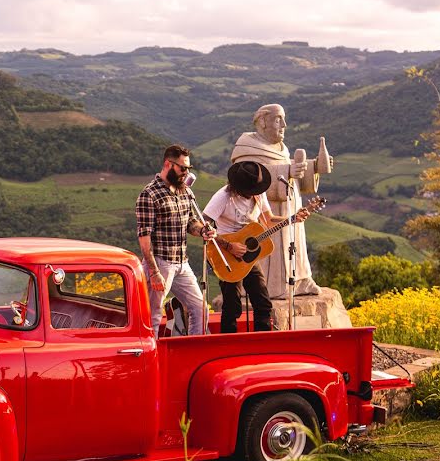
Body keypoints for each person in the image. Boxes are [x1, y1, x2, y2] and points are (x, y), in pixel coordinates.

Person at [230, 104, 333, 298]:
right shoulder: (246, 147)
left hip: (289, 207)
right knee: (274, 250)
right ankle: (272, 286)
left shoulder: (280, 148)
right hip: (265, 215)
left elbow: (287, 168)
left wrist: (313, 167)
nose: (284, 124)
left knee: (294, 244)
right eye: (278, 119)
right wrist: (285, 172)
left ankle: (300, 280)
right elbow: (245, 181)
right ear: (262, 122)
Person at [203, 161, 311, 333]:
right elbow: (204, 225)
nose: (253, 193)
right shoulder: (223, 197)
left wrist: (292, 218)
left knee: (263, 303)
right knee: (232, 307)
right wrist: (229, 245)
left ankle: (264, 342)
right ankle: (228, 346)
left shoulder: (258, 194)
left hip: (248, 258)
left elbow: (268, 220)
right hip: (225, 255)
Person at [136, 144, 216, 337]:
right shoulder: (149, 195)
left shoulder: (185, 191)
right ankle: (150, 357)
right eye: (182, 168)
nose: (186, 172)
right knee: (153, 315)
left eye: (188, 168)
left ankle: (194, 351)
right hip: (160, 264)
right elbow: (144, 237)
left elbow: (190, 222)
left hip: (182, 263)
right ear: (167, 164)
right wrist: (154, 272)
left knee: (200, 309)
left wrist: (202, 231)